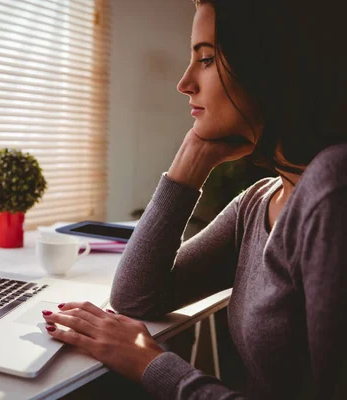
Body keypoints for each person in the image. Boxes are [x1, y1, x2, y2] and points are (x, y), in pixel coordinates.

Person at [41, 1, 347, 398]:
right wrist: (189, 164)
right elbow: (137, 297)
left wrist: (152, 364)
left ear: (268, 64)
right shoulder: (259, 203)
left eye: (205, 59)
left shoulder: (331, 189)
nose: (184, 82)